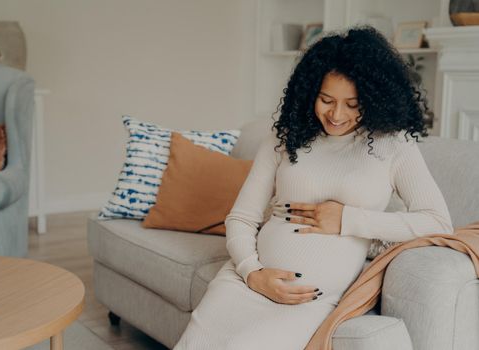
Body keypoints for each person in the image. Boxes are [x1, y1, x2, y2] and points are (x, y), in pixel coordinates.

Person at [174, 26, 453, 350]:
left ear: (375, 98)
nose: (336, 115)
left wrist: (347, 219)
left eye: (353, 104)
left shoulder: (394, 145)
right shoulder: (286, 137)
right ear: (310, 93)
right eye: (326, 100)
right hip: (244, 284)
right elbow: (241, 217)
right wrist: (253, 272)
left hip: (306, 302)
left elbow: (437, 220)